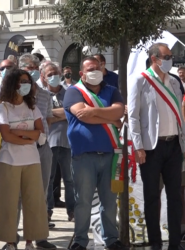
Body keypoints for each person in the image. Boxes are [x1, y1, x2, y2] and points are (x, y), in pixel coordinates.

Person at [128, 43, 185, 250]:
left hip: (173, 145)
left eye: (171, 56)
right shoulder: (140, 80)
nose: (170, 59)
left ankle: (175, 243)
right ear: (154, 58)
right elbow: (133, 116)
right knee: (152, 196)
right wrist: (138, 147)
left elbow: (180, 115)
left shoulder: (173, 81)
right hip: (151, 148)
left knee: (175, 196)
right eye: (166, 56)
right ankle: (155, 242)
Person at [64, 56, 126, 250]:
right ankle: (80, 241)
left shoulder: (112, 90)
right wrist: (110, 118)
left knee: (109, 201)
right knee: (83, 201)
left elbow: (119, 111)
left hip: (110, 154)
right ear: (82, 73)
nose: (95, 71)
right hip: (84, 155)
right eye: (90, 69)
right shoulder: (74, 92)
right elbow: (81, 114)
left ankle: (111, 239)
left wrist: (94, 112)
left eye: (97, 68)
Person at [0, 69, 49, 250]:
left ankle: (30, 241)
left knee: (34, 202)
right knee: (9, 203)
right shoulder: (4, 107)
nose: (26, 84)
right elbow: (6, 136)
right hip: (9, 161)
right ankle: (10, 241)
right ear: (12, 84)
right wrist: (28, 136)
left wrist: (19, 132)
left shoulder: (33, 107)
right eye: (22, 81)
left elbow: (41, 136)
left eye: (28, 81)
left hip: (32, 160)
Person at [14, 54, 56, 248]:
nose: (30, 72)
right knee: (18, 195)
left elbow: (47, 120)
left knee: (41, 193)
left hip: (42, 148)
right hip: (19, 148)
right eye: (27, 68)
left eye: (33, 68)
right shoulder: (13, 94)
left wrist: (42, 139)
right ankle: (11, 236)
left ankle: (40, 237)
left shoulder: (45, 95)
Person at [38, 61, 75, 222]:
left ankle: (72, 211)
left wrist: (52, 115)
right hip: (48, 142)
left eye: (56, 73)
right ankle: (47, 211)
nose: (54, 77)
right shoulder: (41, 94)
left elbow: (73, 112)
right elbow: (41, 116)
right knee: (48, 179)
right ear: (44, 77)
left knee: (70, 179)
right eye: (49, 74)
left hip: (68, 142)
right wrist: (62, 113)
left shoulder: (69, 92)